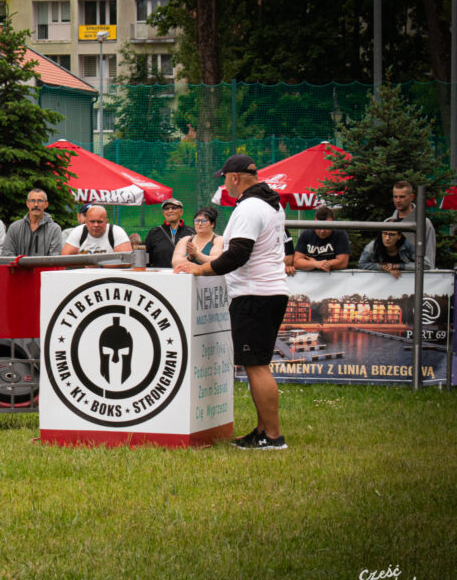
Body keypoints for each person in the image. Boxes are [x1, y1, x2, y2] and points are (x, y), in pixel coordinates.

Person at [174, 154, 289, 450]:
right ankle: (262, 431)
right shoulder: (270, 204)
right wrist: (204, 259)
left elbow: (239, 254)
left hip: (255, 295)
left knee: (256, 366)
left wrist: (200, 269)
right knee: (257, 363)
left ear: (235, 177)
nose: (224, 184)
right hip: (268, 291)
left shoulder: (249, 207)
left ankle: (273, 437)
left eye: (225, 178)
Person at [387, 181, 435, 268]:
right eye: (395, 197)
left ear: (412, 197)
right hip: (392, 276)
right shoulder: (387, 222)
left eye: (402, 197)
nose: (398, 200)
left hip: (416, 275)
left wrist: (429, 275)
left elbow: (429, 253)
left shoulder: (424, 223)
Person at [2, 189, 63, 256]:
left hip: (44, 267)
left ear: (46, 204)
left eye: (40, 201)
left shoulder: (54, 229)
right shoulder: (14, 228)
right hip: (19, 266)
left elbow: (54, 257)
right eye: (32, 201)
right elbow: (7, 253)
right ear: (27, 204)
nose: (36, 204)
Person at [358, 220, 428, 278]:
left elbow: (426, 265)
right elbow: (362, 264)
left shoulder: (408, 245)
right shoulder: (373, 246)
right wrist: (383, 267)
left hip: (407, 281)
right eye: (385, 233)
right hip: (379, 282)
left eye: (392, 234)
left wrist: (396, 266)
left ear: (399, 236)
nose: (387, 238)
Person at [294, 206, 350, 271]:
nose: (322, 231)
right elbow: (296, 262)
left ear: (333, 223)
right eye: (319, 227)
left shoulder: (340, 234)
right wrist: (315, 264)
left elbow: (343, 263)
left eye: (326, 227)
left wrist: (319, 264)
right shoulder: (306, 234)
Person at [144, 198, 195, 268]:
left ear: (181, 212)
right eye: (166, 208)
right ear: (163, 213)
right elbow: (145, 259)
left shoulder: (192, 232)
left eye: (174, 208)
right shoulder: (154, 232)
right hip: (160, 276)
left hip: (184, 274)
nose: (170, 211)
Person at [61, 205, 133, 255]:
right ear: (86, 222)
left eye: (99, 222)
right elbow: (65, 258)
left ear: (106, 222)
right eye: (92, 222)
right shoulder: (78, 231)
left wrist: (98, 264)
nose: (96, 225)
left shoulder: (116, 232)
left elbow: (127, 260)